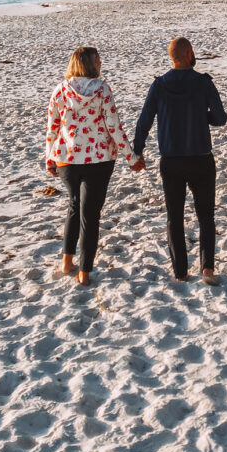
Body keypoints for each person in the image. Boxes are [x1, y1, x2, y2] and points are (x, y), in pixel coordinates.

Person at [45, 46, 143, 285]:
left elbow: (53, 128)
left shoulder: (60, 90)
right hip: (99, 159)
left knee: (74, 207)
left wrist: (49, 157)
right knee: (90, 214)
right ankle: (84, 273)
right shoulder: (102, 90)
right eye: (98, 60)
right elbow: (114, 127)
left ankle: (67, 262)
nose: (100, 63)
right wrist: (132, 158)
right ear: (91, 64)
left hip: (67, 158)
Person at [133, 37, 227, 285]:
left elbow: (144, 122)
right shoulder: (203, 83)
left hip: (171, 160)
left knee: (174, 216)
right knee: (205, 215)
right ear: (188, 54)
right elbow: (220, 118)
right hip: (201, 158)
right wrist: (200, 116)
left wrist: (137, 151)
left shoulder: (159, 85)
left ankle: (181, 272)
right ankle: (207, 270)